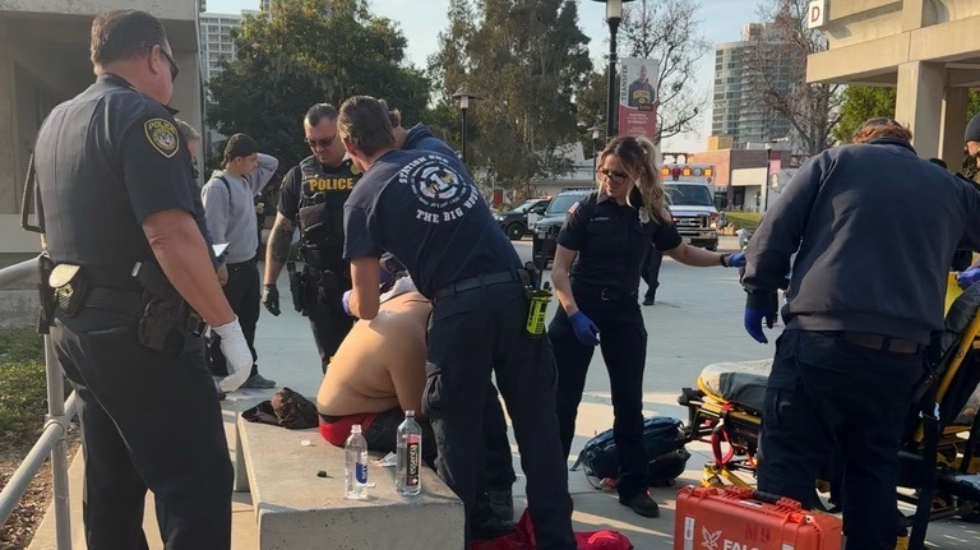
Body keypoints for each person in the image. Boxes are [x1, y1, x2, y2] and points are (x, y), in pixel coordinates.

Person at [27, 9, 253, 548]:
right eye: (170, 65)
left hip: (77, 328)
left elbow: (45, 233)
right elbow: (170, 236)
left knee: (113, 483)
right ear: (154, 55)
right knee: (196, 481)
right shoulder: (144, 119)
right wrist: (228, 328)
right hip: (143, 337)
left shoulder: (56, 120)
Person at [338, 95, 576, 549]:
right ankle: (557, 542)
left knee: (456, 447)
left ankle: (456, 542)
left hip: (461, 313)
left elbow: (369, 305)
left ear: (349, 143)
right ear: (391, 129)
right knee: (539, 433)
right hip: (517, 296)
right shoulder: (437, 160)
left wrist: (350, 299)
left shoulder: (363, 196)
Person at [741, 117, 980, 550]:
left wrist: (759, 292)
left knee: (787, 469)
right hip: (899, 358)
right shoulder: (952, 187)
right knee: (872, 471)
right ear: (906, 143)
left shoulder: (833, 162)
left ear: (862, 140)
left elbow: (772, 233)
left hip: (820, 341)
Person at [548, 135, 745, 518]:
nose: (609, 179)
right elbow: (559, 270)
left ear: (638, 172)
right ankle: (554, 487)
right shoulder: (586, 210)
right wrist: (573, 314)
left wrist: (725, 259)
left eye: (619, 174)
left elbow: (681, 251)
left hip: (623, 312)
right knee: (562, 403)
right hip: (579, 310)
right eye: (604, 172)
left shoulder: (650, 212)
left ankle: (633, 485)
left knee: (628, 403)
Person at [318, 271, 517, 535]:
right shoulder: (410, 332)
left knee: (480, 402)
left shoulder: (406, 304)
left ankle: (492, 494)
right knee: (456, 440)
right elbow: (418, 409)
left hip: (360, 406)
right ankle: (472, 515)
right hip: (352, 422)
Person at [262, 103, 363, 370]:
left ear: (343, 134)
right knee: (333, 364)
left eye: (326, 141)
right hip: (323, 288)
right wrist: (269, 283)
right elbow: (283, 230)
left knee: (369, 364)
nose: (319, 149)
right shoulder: (299, 175)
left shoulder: (366, 168)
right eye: (312, 143)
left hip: (367, 280)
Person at [201, 133, 280, 390]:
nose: (257, 164)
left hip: (248, 264)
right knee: (224, 323)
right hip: (230, 267)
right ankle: (217, 373)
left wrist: (246, 146)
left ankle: (246, 370)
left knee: (248, 319)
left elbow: (273, 163)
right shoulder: (218, 187)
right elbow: (214, 231)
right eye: (251, 159)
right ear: (236, 160)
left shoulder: (246, 181)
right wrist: (219, 265)